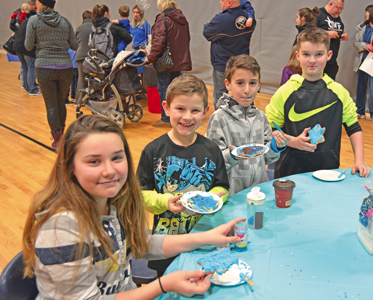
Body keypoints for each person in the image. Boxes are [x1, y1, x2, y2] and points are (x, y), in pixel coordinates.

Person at [22, 114, 243, 299]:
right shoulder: (62, 227)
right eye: (94, 161)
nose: (109, 170)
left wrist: (206, 237)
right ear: (69, 166)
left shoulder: (113, 203)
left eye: (117, 158)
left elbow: (140, 242)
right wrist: (164, 284)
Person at [136, 74, 230, 276]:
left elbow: (222, 186)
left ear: (205, 112)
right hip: (166, 243)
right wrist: (165, 202)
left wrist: (215, 196)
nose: (187, 117)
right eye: (180, 109)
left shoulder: (212, 150)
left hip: (204, 237)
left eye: (195, 110)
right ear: (166, 108)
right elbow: (140, 195)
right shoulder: (152, 151)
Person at [266, 27, 370, 179]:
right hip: (289, 173)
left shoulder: (339, 92)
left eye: (319, 54)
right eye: (306, 54)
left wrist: (359, 161)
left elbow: (354, 128)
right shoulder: (285, 92)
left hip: (328, 172)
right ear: (297, 56)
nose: (312, 60)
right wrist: (293, 141)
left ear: (329, 55)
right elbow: (269, 129)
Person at [206, 55, 288, 196]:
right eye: (240, 83)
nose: (247, 90)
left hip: (259, 191)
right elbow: (213, 164)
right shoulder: (219, 119)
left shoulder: (261, 117)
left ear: (259, 84)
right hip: (232, 194)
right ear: (227, 84)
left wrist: (275, 147)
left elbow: (266, 158)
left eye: (252, 83)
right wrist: (232, 156)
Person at [25, 0, 77, 149]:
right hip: (65, 66)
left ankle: (57, 139)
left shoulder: (34, 20)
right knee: (61, 102)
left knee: (51, 105)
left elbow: (28, 45)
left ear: (40, 3)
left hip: (44, 66)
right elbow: (74, 45)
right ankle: (62, 134)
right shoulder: (65, 21)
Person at [203, 0, 256, 109]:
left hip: (223, 65)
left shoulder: (221, 20)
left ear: (229, 3)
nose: (219, 2)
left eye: (222, 0)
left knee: (221, 96)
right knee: (243, 95)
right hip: (242, 65)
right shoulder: (249, 18)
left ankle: (222, 122)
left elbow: (206, 32)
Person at [146, 0, 192, 128]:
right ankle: (179, 116)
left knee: (165, 90)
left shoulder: (163, 19)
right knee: (177, 91)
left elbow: (158, 42)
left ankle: (166, 118)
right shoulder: (182, 18)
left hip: (165, 63)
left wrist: (150, 58)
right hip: (178, 62)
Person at [315, 0, 348, 81]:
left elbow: (338, 31)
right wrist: (327, 34)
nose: (339, 11)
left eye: (341, 9)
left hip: (331, 62)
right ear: (330, 4)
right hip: (317, 61)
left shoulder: (337, 18)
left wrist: (343, 35)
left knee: (329, 89)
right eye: (338, 8)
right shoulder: (317, 14)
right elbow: (308, 32)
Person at [13, 14, 41, 96]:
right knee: (31, 67)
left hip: (18, 47)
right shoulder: (34, 23)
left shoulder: (25, 21)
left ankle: (26, 87)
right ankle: (32, 89)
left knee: (25, 67)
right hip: (26, 48)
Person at [75, 10, 92, 105]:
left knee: (81, 79)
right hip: (92, 57)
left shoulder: (78, 28)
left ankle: (79, 101)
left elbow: (74, 42)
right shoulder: (94, 28)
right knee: (93, 79)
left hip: (80, 56)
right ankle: (91, 100)